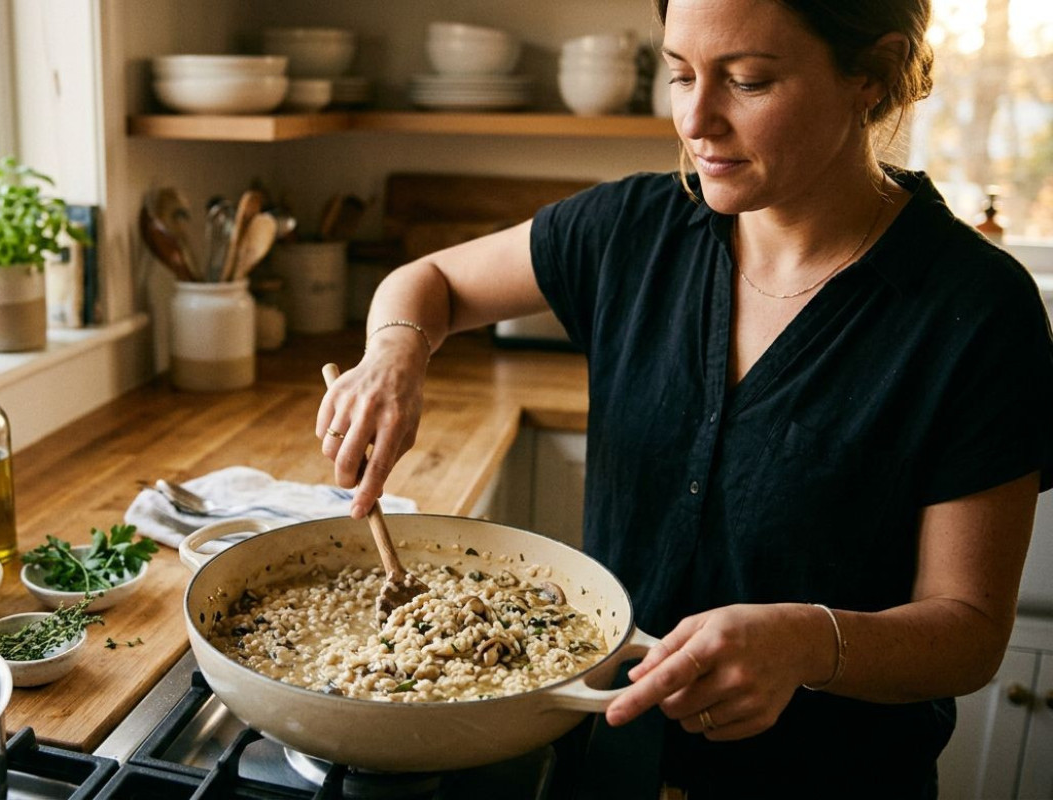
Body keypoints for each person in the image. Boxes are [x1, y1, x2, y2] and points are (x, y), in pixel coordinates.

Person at [316, 0, 1053, 796]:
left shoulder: (976, 310)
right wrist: (395, 349)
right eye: (679, 74)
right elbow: (429, 281)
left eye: (747, 81)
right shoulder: (635, 227)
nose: (696, 120)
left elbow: (969, 634)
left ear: (868, 76)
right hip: (606, 765)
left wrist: (809, 642)